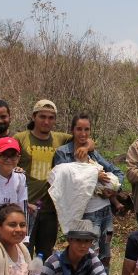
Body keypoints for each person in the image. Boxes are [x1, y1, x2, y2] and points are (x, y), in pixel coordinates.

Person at [53, 113, 124, 271]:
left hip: (105, 210)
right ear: (72, 130)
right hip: (85, 214)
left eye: (87, 129)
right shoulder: (63, 153)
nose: (83, 133)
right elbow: (65, 183)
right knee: (87, 253)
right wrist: (93, 175)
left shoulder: (92, 153)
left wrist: (113, 191)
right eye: (79, 129)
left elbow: (118, 172)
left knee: (105, 255)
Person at [14, 99, 83, 258]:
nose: (46, 121)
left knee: (44, 255)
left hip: (50, 209)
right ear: (33, 117)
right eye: (42, 116)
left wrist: (86, 147)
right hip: (25, 208)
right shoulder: (20, 138)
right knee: (22, 254)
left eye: (51, 118)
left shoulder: (60, 139)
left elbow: (85, 139)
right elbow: (6, 158)